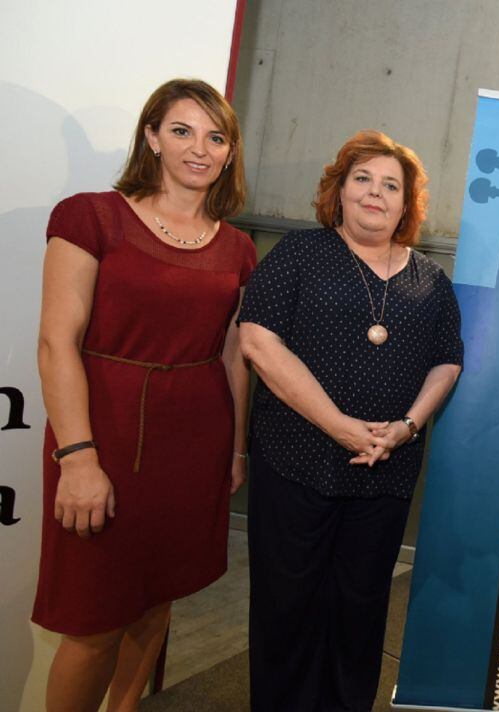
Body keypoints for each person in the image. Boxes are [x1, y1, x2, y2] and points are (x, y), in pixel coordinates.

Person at [32, 79, 254, 712]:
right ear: (152, 137)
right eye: (182, 131)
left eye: (216, 137)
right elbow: (56, 342)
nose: (199, 149)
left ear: (230, 153)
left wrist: (235, 452)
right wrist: (77, 459)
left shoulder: (237, 247)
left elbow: (235, 355)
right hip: (101, 433)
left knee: (157, 600)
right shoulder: (90, 215)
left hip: (193, 443)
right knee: (95, 621)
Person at [238, 130, 463, 711]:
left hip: (384, 473)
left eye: (391, 185)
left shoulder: (431, 281)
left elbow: (448, 360)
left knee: (360, 611)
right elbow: (258, 341)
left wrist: (408, 426)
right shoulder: (298, 254)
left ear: (406, 205)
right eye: (362, 179)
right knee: (286, 606)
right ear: (338, 191)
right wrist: (338, 424)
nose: (375, 193)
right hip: (295, 462)